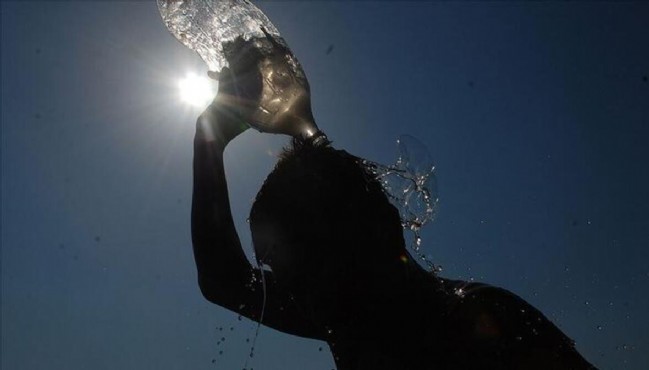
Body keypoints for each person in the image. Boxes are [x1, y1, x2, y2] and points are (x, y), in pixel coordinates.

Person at [191, 40, 597, 370]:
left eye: (299, 267)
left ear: (379, 232)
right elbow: (225, 282)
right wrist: (208, 136)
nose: (293, 293)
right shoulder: (348, 318)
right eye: (278, 269)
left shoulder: (483, 323)